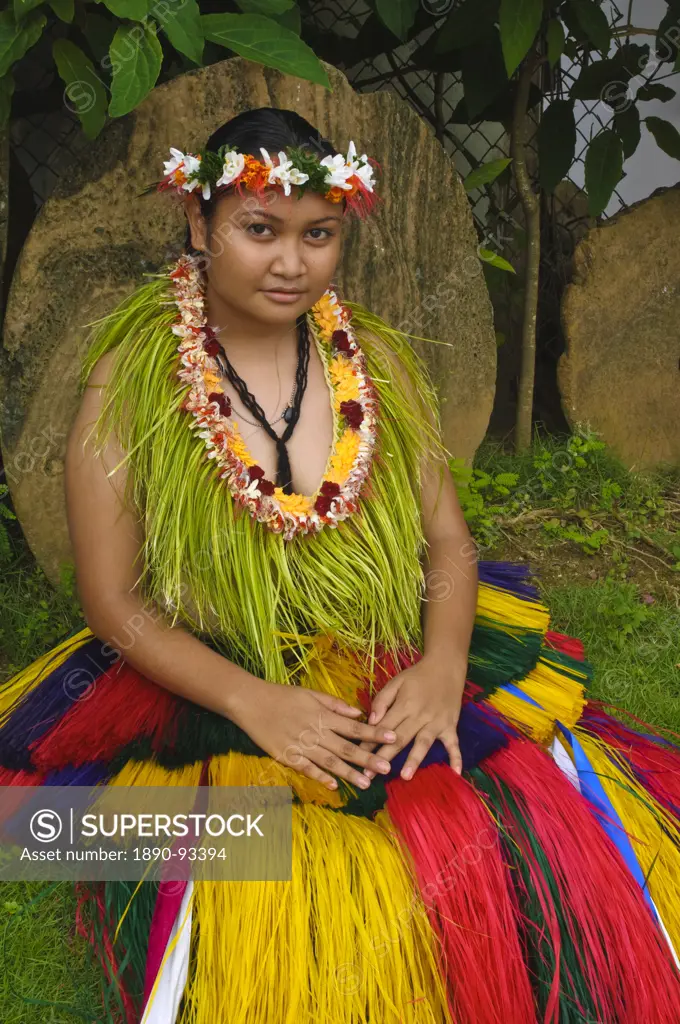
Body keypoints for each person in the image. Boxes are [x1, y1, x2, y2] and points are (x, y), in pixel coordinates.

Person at [0, 106, 679, 1024]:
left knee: (509, 819)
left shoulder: (376, 365)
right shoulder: (131, 381)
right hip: (209, 667)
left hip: (374, 647)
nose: (292, 263)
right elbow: (112, 601)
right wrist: (254, 701)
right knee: (96, 841)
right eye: (259, 229)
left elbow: (448, 544)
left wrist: (442, 669)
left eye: (318, 234)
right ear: (199, 224)